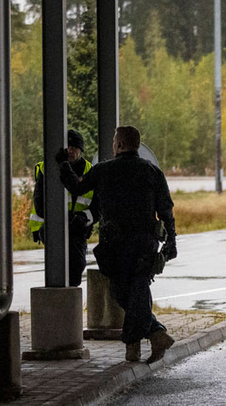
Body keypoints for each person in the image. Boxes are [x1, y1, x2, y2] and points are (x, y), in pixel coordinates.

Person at [58, 126, 177, 364]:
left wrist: (63, 165)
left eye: (114, 141)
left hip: (116, 245)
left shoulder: (104, 170)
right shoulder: (153, 172)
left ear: (120, 145)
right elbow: (166, 210)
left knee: (124, 292)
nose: (113, 145)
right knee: (137, 291)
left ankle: (135, 345)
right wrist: (171, 240)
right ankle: (155, 334)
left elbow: (77, 186)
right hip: (145, 244)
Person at [28, 129, 100, 287]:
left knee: (77, 265)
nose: (71, 151)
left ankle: (69, 300)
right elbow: (39, 204)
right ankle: (60, 302)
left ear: (81, 149)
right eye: (68, 147)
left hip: (78, 228)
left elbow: (97, 206)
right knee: (57, 265)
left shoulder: (90, 171)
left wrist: (82, 219)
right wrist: (64, 217)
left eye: (75, 147)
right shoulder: (46, 169)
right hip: (53, 226)